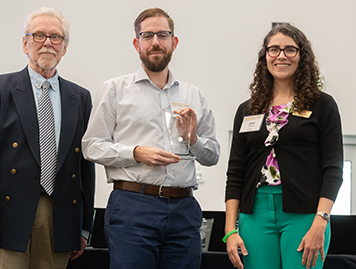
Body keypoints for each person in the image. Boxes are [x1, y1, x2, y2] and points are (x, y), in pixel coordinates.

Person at [82, 7, 220, 269]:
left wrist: (193, 139)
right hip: (134, 207)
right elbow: (91, 146)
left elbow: (212, 155)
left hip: (184, 209)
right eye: (148, 36)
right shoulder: (114, 90)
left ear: (174, 42)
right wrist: (135, 153)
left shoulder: (194, 95)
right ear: (137, 43)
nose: (155, 42)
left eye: (163, 35)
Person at [0, 7, 95, 269]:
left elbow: (84, 168)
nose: (47, 42)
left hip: (58, 219)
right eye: (38, 35)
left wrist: (83, 228)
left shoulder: (80, 97)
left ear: (64, 48)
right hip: (4, 218)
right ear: (25, 43)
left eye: (55, 37)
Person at [225, 23, 343, 269]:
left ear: (302, 56)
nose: (281, 56)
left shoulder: (322, 105)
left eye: (290, 49)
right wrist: (229, 231)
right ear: (265, 56)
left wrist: (320, 222)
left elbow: (333, 169)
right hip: (254, 214)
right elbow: (235, 172)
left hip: (305, 215)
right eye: (274, 49)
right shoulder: (248, 109)